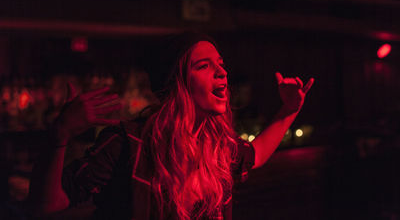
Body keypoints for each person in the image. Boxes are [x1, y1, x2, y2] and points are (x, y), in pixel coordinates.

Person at [27, 33, 314, 219]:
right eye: (203, 66)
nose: (222, 72)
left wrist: (289, 110)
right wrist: (60, 134)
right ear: (176, 83)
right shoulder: (127, 142)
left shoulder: (216, 146)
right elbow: (47, 204)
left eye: (221, 64)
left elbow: (257, 153)